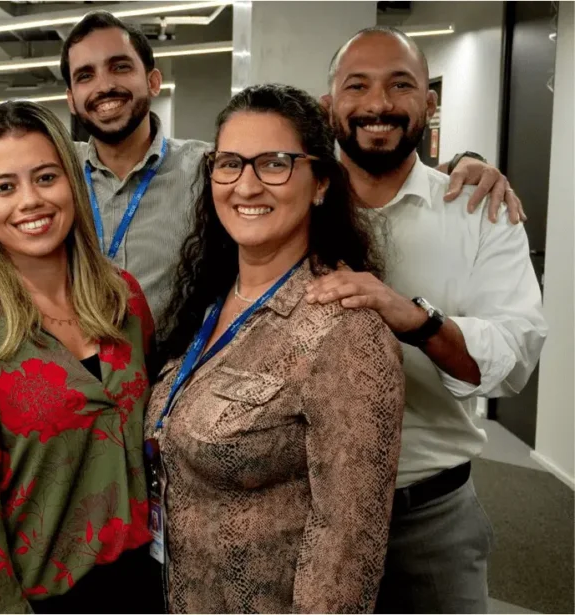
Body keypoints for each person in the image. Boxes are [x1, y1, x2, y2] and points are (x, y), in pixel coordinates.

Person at [60, 11, 526, 324]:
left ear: (153, 80)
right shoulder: (55, 175)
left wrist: (470, 162)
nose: (104, 86)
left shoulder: (208, 169)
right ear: (71, 99)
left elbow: (290, 166)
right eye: (85, 76)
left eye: (120, 67)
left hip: (162, 396)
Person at [310, 26, 548, 613]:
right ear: (328, 105)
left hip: (430, 518)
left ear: (430, 102)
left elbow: (514, 357)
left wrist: (416, 320)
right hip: (302, 511)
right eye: (356, 86)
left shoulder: (481, 213)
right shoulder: (289, 209)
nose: (378, 105)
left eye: (401, 85)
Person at [147, 84, 407, 613]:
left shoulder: (345, 333)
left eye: (274, 163)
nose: (246, 185)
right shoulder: (211, 300)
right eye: (229, 163)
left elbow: (346, 553)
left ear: (319, 185)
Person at [0, 101, 160, 614]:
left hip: (142, 581)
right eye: (4, 187)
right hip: (38, 597)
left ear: (72, 182)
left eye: (46, 177)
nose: (30, 201)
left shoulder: (124, 301)